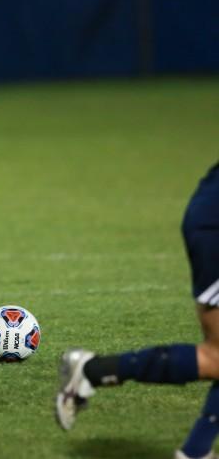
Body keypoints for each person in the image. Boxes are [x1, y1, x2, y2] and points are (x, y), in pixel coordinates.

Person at [57, 161, 219, 459]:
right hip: (214, 225)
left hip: (209, 215)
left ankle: (196, 451)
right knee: (216, 356)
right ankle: (92, 370)